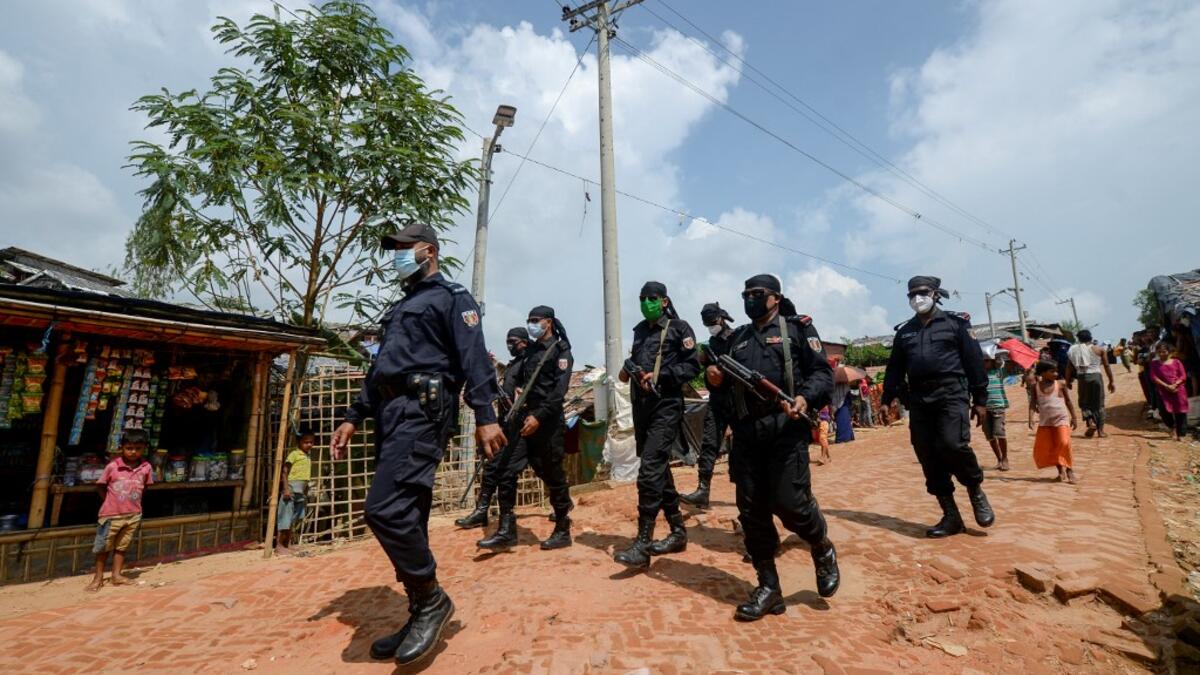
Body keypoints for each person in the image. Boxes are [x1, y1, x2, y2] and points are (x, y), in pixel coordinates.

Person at [330, 221, 506, 667]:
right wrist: (353, 416)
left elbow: (474, 357)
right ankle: (418, 609)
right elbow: (379, 371)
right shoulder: (401, 306)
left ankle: (432, 599)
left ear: (428, 251)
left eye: (403, 247)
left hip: (423, 412)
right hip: (391, 413)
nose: (397, 255)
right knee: (408, 512)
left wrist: (486, 416)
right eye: (394, 248)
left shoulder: (452, 297)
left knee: (383, 509)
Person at [706, 274, 839, 621]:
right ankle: (769, 587)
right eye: (745, 294)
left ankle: (821, 545)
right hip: (747, 436)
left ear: (775, 297)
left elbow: (822, 374)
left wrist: (804, 397)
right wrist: (714, 380)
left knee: (791, 505)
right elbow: (722, 386)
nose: (749, 299)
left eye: (757, 293)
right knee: (751, 513)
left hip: (785, 430)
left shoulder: (797, 330)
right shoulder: (737, 339)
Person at [882, 275, 995, 538]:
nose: (917, 298)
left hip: (951, 393)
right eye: (912, 295)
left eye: (922, 293)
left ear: (935, 294)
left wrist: (980, 400)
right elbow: (895, 368)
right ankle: (951, 516)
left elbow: (974, 362)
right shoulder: (905, 332)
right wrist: (887, 399)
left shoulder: (956, 324)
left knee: (952, 444)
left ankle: (975, 489)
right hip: (919, 399)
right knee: (927, 454)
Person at [614, 281, 701, 568]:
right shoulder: (640, 330)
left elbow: (692, 366)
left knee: (649, 470)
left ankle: (643, 544)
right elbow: (632, 368)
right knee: (659, 470)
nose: (645, 302)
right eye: (642, 298)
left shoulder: (679, 328)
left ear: (664, 301)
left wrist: (659, 375)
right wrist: (629, 370)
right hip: (642, 408)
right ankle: (678, 532)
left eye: (651, 298)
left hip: (666, 406)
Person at [478, 306, 575, 550]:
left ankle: (562, 529)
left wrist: (539, 417)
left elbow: (558, 392)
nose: (531, 324)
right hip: (523, 419)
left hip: (547, 421)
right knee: (506, 470)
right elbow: (518, 377)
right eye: (529, 320)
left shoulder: (561, 351)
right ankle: (506, 530)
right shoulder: (530, 352)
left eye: (535, 320)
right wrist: (519, 390)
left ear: (548, 322)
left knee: (553, 475)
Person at [455, 327, 529, 530]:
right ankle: (482, 511)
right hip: (506, 423)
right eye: (508, 341)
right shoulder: (512, 365)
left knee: (545, 468)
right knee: (492, 466)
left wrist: (520, 399)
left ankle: (561, 505)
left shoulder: (529, 363)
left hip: (523, 426)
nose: (510, 345)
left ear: (524, 342)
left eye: (513, 341)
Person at [681, 302, 736, 508]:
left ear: (721, 318)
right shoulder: (711, 344)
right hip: (717, 400)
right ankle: (703, 490)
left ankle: (750, 493)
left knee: (743, 448)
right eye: (707, 324)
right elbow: (697, 364)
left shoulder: (737, 338)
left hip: (737, 400)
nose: (711, 327)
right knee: (709, 444)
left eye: (713, 322)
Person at [86, 429, 153, 592]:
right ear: (122, 447)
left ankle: (117, 575)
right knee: (103, 547)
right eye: (129, 448)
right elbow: (100, 486)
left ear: (144, 449)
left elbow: (145, 487)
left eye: (138, 448)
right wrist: (110, 501)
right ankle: (98, 577)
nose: (133, 452)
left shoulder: (146, 467)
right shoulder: (112, 466)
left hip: (133, 514)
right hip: (111, 514)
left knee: (122, 546)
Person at [1029, 360, 1078, 483]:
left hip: (1061, 419)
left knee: (1064, 442)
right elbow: (1032, 403)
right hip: (1046, 422)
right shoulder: (1035, 387)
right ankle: (1060, 471)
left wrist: (1074, 417)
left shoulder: (1060, 384)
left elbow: (1068, 401)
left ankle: (1069, 470)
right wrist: (1031, 418)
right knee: (1052, 446)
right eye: (1052, 371)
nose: (1056, 374)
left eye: (1056, 371)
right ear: (1042, 373)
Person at [1065, 329, 1116, 438]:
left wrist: (1067, 381)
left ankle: (1091, 422)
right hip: (1096, 376)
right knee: (1099, 404)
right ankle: (1101, 431)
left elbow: (1069, 368)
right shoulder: (1099, 349)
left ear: (1078, 339)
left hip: (1082, 378)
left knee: (1084, 403)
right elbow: (1107, 366)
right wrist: (1111, 381)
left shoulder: (1073, 350)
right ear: (1091, 338)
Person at [276, 431, 314, 554]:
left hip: (300, 491)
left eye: (311, 442)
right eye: (306, 442)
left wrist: (305, 491)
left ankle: (287, 544)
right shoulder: (294, 454)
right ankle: (279, 546)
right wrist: (286, 488)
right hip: (291, 489)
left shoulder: (307, 456)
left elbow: (305, 476)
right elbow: (284, 471)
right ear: (299, 442)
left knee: (293, 519)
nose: (309, 444)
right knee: (285, 518)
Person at [1150, 342, 1191, 441]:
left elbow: (1183, 376)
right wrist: (1166, 386)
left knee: (1180, 412)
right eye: (1159, 352)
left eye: (1164, 351)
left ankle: (1181, 434)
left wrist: (1175, 384)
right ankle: (1172, 427)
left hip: (1178, 390)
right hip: (1162, 391)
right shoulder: (1154, 364)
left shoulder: (1176, 362)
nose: (1161, 354)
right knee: (1163, 411)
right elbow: (1154, 377)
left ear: (1169, 351)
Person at [982, 350, 1010, 471]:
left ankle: (1005, 458)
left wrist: (995, 351)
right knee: (990, 436)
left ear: (992, 361)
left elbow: (1002, 361)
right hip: (984, 409)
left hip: (998, 406)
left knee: (1000, 433)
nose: (984, 363)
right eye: (983, 361)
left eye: (987, 360)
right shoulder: (979, 374)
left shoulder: (999, 372)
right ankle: (999, 459)